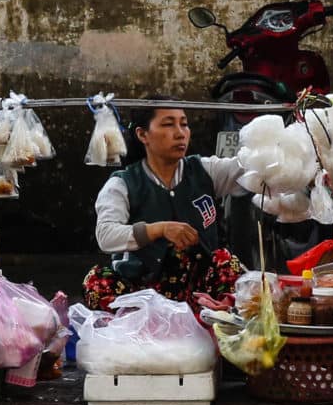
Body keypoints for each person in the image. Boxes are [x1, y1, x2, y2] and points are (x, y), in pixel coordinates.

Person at [82, 105, 247, 309]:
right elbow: (106, 235)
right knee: (96, 282)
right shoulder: (123, 184)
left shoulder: (204, 171)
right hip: (144, 290)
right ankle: (143, 326)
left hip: (199, 288)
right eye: (169, 124)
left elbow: (247, 169)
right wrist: (157, 229)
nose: (180, 133)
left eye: (184, 124)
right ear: (143, 135)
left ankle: (213, 316)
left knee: (229, 264)